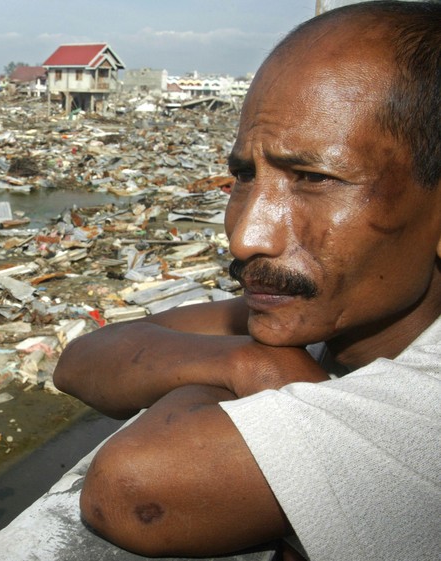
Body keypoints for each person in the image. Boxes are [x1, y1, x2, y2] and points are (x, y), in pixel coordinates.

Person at [51, 2, 441, 560]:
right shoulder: (337, 315)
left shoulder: (425, 415)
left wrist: (220, 371)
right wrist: (251, 364)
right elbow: (85, 358)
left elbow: (132, 488)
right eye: (244, 175)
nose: (245, 237)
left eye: (312, 178)